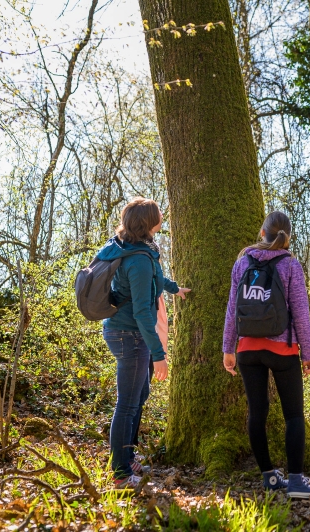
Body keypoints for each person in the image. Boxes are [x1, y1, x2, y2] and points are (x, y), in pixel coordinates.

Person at [222, 211, 310, 499]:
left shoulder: (242, 262)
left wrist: (228, 348)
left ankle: (269, 477)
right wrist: (307, 352)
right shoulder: (290, 265)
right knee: (293, 414)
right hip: (282, 349)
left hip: (247, 350)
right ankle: (295, 480)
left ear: (262, 232)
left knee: (257, 413)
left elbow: (232, 309)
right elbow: (300, 312)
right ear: (287, 237)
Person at [97, 198, 191, 489]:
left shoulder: (136, 250)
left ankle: (127, 458)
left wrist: (174, 288)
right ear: (148, 222)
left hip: (126, 334)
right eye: (158, 214)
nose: (162, 216)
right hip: (130, 335)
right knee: (127, 404)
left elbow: (154, 278)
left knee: (138, 397)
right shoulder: (137, 259)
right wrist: (159, 354)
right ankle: (121, 473)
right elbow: (140, 311)